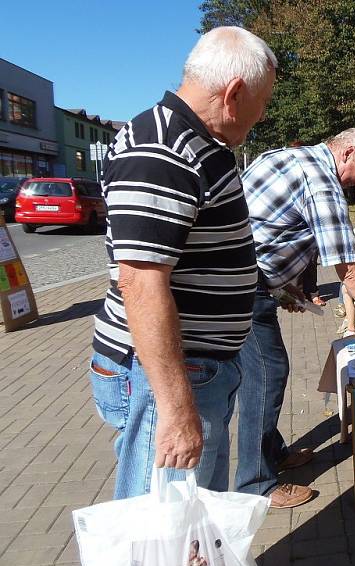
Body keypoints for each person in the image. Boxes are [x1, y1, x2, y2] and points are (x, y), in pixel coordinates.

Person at [88, 27, 277, 500]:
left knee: (194, 518)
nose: (264, 113)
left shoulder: (197, 142)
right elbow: (141, 282)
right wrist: (174, 411)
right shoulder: (164, 149)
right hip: (173, 377)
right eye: (264, 101)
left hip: (195, 371)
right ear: (234, 93)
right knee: (162, 531)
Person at [236, 128, 355, 508]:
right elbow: (352, 271)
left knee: (267, 372)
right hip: (241, 288)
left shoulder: (283, 156)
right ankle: (255, 484)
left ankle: (273, 452)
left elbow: (272, 232)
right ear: (347, 153)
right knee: (267, 375)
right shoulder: (323, 183)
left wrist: (286, 287)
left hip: (248, 282)